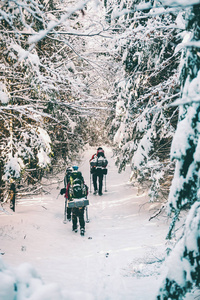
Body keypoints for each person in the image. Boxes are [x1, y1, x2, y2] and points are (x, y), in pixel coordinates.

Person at [65, 166, 88, 235]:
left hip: (73, 200)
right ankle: (82, 228)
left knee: (74, 214)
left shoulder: (71, 183)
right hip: (81, 200)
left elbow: (67, 192)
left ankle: (74, 227)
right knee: (81, 215)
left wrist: (67, 197)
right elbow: (86, 191)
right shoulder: (81, 182)